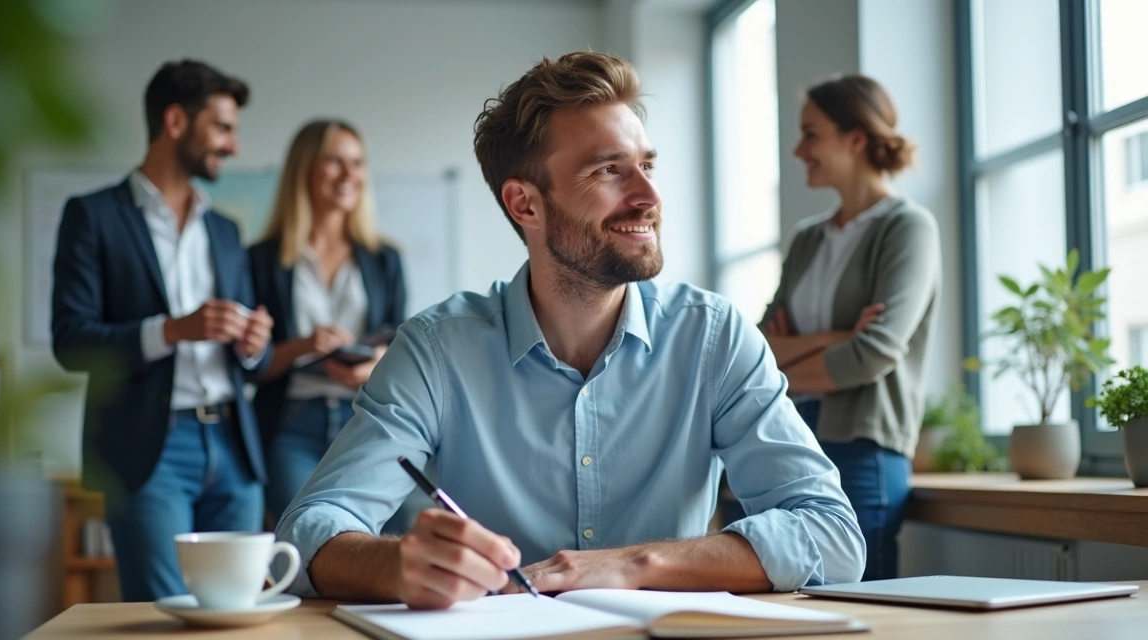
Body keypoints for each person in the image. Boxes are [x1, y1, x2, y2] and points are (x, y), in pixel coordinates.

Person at [276, 51, 864, 609]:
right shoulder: (436, 348)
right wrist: (397, 564)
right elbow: (309, 531)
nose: (650, 197)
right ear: (525, 204)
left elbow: (832, 536)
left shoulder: (714, 337)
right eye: (609, 170)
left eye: (648, 166)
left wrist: (632, 566)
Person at [51, 59, 274, 602]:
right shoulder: (93, 216)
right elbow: (72, 341)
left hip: (233, 445)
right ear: (175, 121)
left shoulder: (225, 229)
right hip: (149, 449)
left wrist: (254, 345)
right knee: (161, 616)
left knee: (236, 612)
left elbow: (256, 363)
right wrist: (171, 331)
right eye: (222, 127)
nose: (233, 145)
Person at [759, 74, 941, 582]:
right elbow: (756, 347)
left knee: (862, 608)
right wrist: (834, 338)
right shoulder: (806, 240)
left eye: (811, 133)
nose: (799, 149)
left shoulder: (907, 227)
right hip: (789, 442)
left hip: (862, 448)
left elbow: (874, 355)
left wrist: (781, 365)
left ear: (856, 138)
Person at [248, 119, 407, 524]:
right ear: (304, 169)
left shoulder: (384, 258)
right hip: (291, 423)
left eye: (357, 162)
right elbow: (250, 364)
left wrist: (374, 366)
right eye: (335, 161)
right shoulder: (262, 260)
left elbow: (405, 345)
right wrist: (304, 345)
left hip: (366, 422)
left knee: (375, 544)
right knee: (304, 539)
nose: (349, 174)